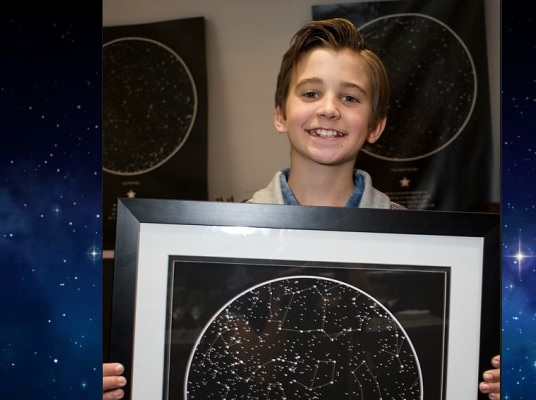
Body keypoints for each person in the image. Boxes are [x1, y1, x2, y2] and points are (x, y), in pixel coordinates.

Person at [103, 18, 500, 399]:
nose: (329, 109)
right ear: (280, 115)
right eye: (310, 93)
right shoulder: (220, 247)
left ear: (376, 125)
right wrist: (124, 380)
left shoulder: (422, 249)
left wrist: (489, 381)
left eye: (350, 97)